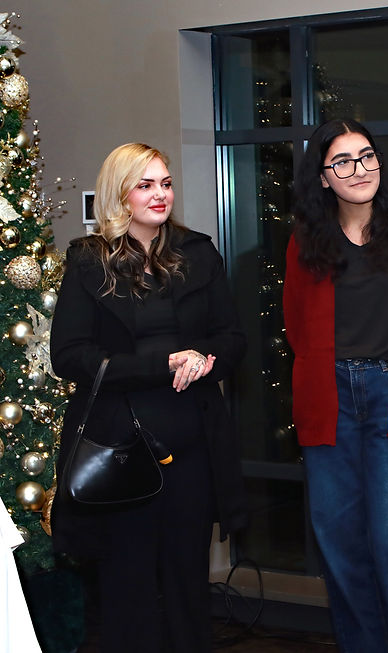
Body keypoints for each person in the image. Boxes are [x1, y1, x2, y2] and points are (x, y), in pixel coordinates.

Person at [51, 143, 247, 652]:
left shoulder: (198, 253)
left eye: (165, 183)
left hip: (193, 443)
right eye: (145, 185)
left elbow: (232, 338)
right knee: (128, 584)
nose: (160, 194)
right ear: (120, 194)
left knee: (188, 583)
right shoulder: (88, 260)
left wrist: (205, 359)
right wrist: (160, 365)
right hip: (122, 450)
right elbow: (69, 356)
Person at [283, 118, 388, 652]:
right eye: (342, 161)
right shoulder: (305, 240)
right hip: (328, 400)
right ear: (322, 177)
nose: (359, 169)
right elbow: (295, 325)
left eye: (366, 156)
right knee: (341, 547)